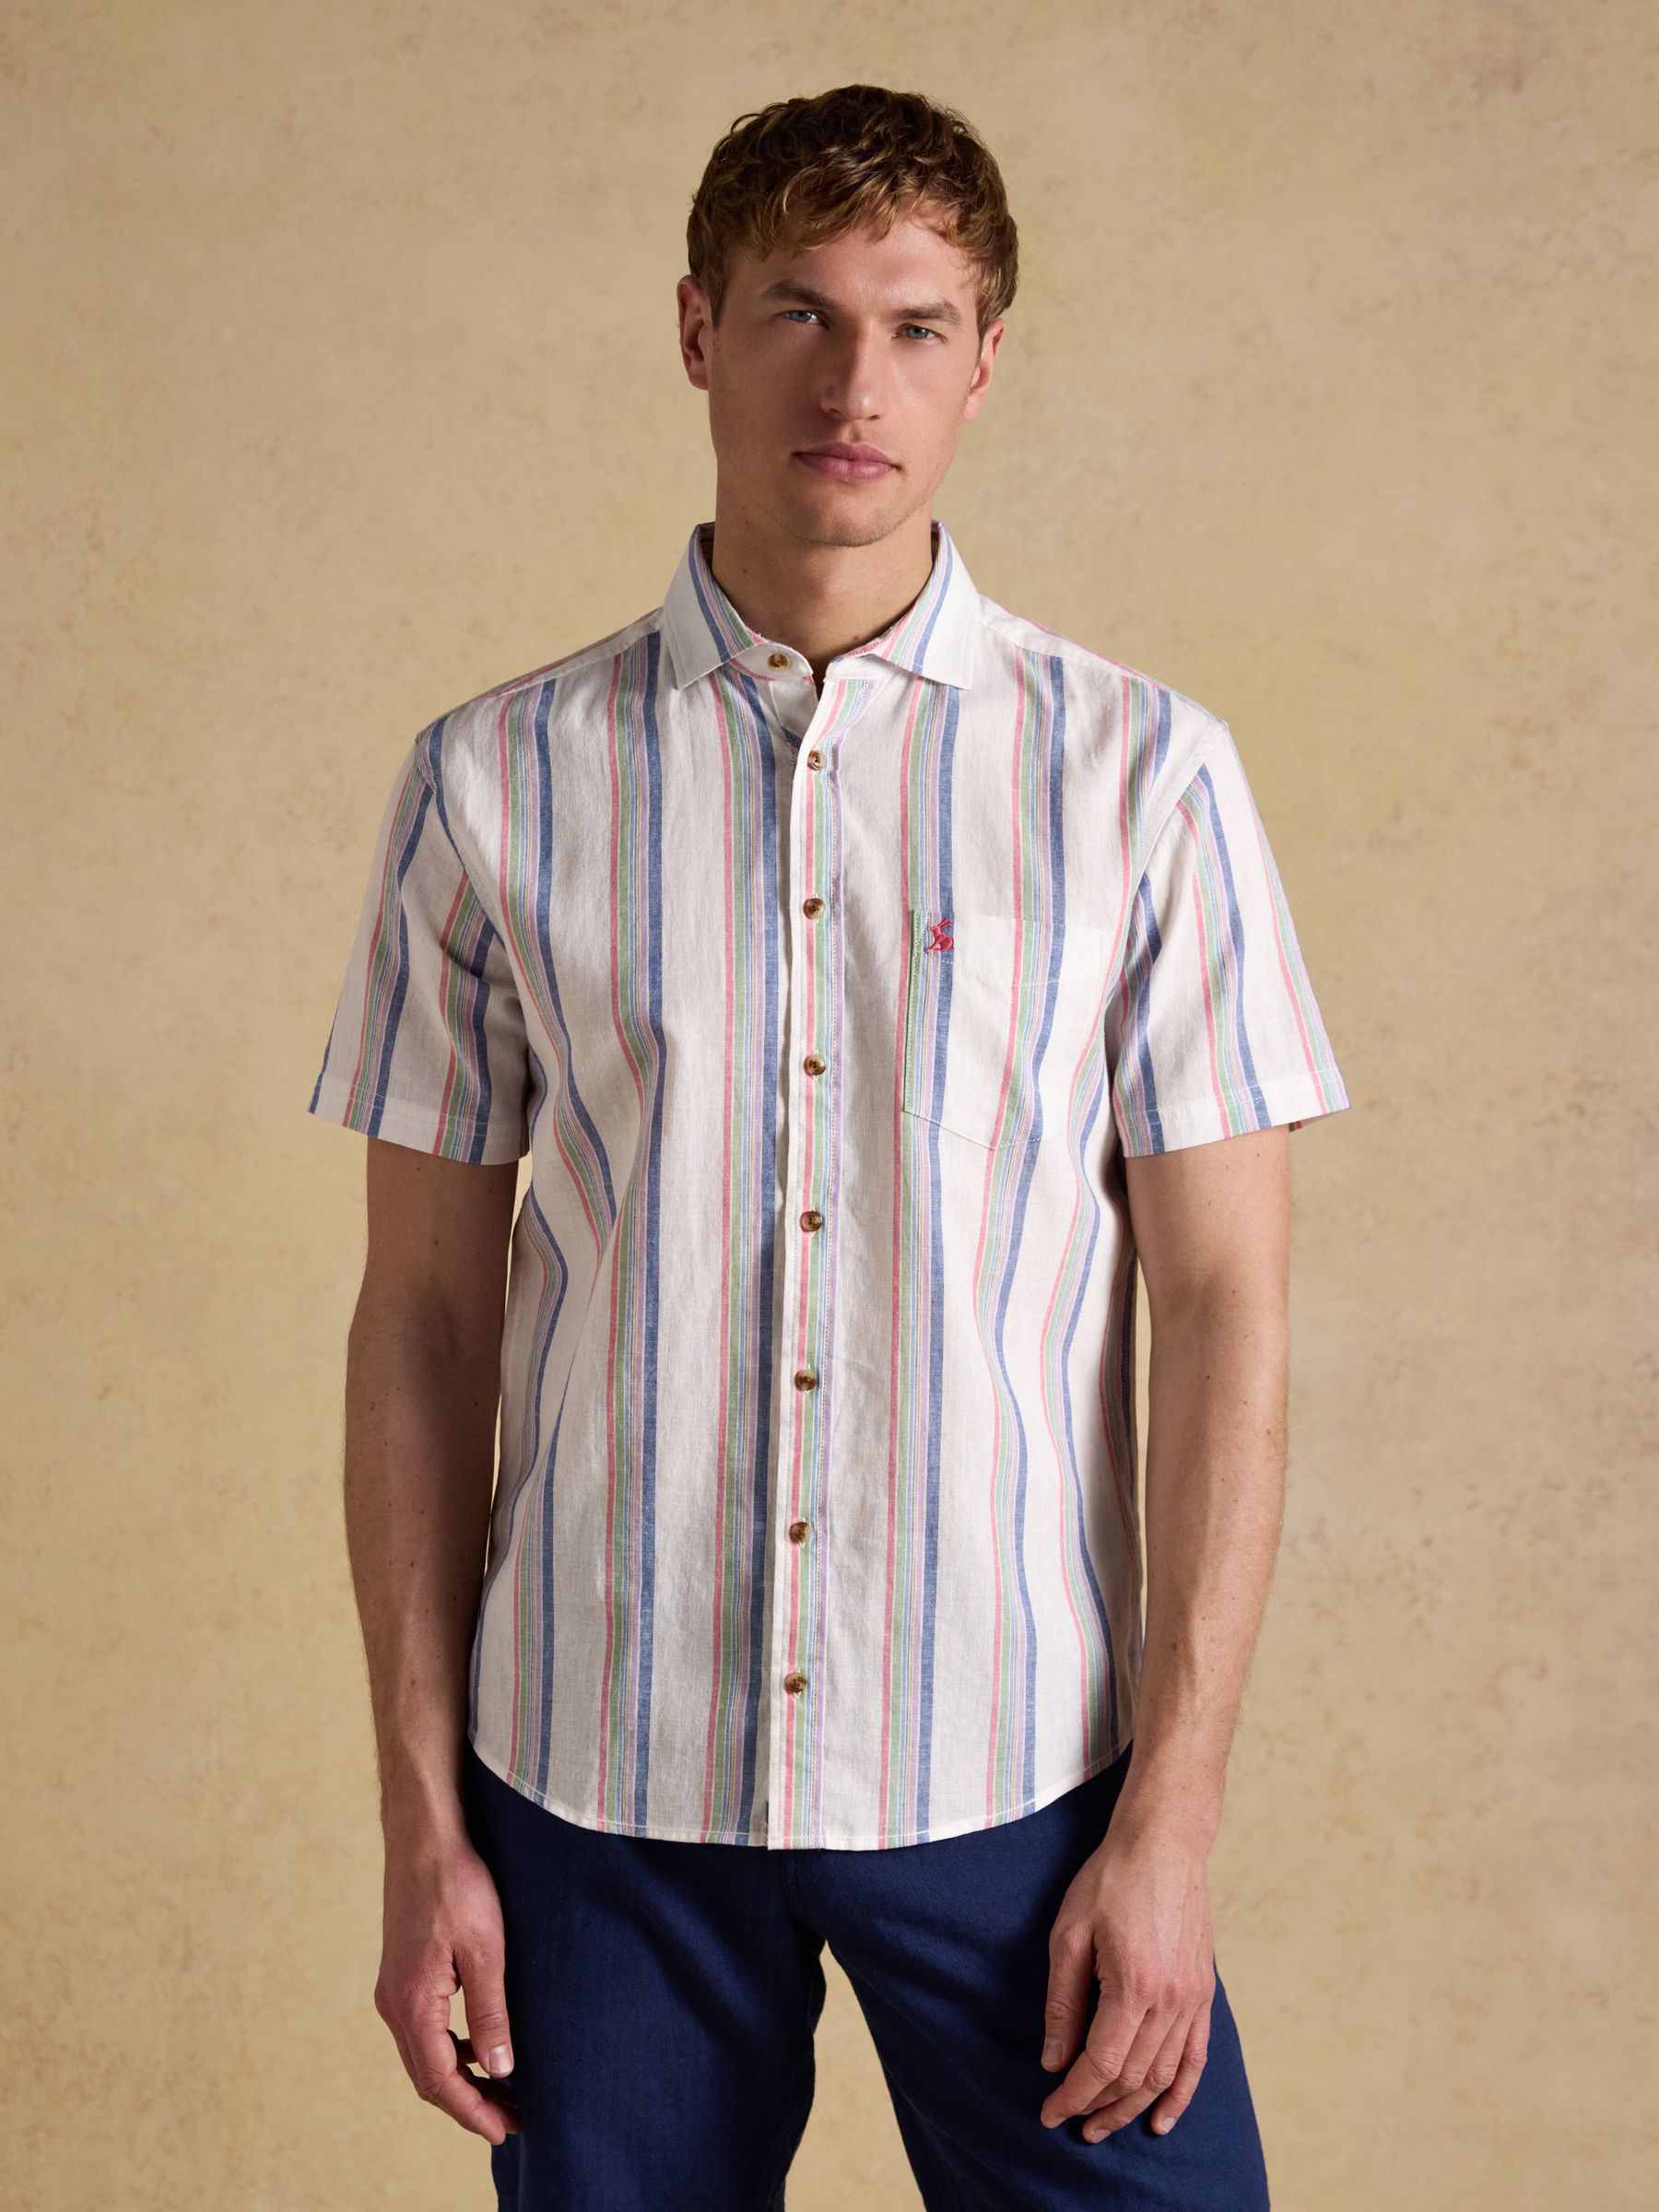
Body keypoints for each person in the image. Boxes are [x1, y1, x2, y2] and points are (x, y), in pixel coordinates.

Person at [307, 80, 1349, 2210]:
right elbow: (422, 1318)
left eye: (915, 324)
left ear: (985, 363)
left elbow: (1226, 1309)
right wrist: (424, 1823)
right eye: (799, 310)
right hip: (594, 1782)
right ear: (701, 329)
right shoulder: (494, 782)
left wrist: (1171, 1823)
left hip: (1014, 1765)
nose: (855, 382)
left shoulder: (1145, 780)